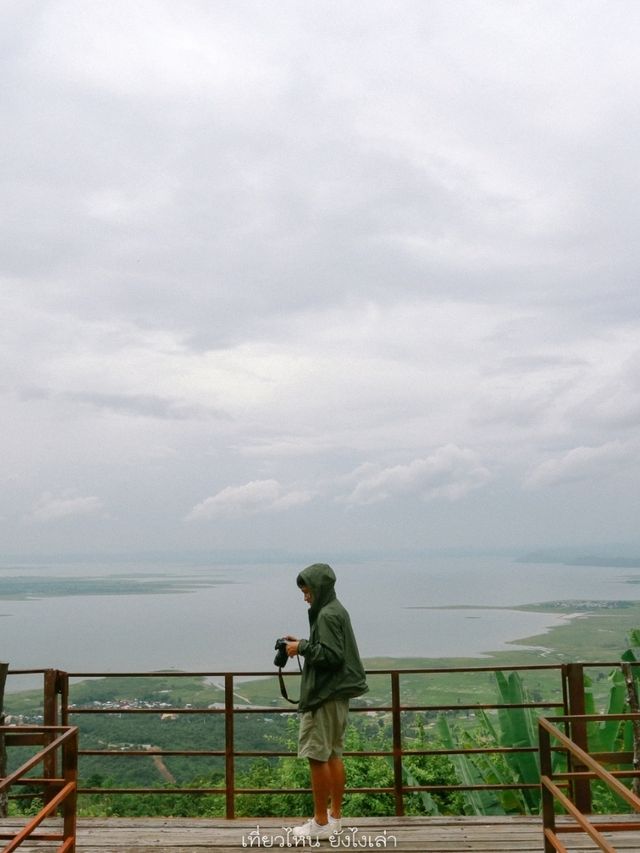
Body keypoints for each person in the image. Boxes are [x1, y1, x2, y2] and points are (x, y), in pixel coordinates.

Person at [284, 562, 368, 841]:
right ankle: (334, 818)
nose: (305, 597)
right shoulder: (335, 610)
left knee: (317, 757)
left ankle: (320, 823)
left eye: (307, 591)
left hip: (325, 694)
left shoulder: (327, 616)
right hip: (336, 695)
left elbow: (333, 657)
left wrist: (303, 648)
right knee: (333, 754)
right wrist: (305, 644)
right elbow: (332, 650)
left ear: (318, 589)